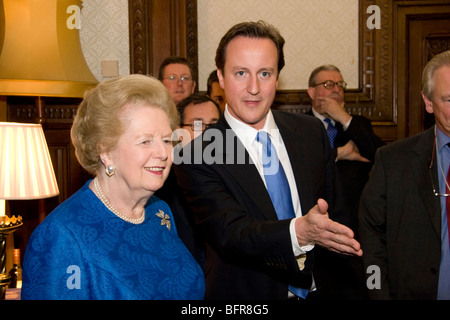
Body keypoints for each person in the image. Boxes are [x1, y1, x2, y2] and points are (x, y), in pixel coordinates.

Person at [173, 21, 362, 300]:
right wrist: (300, 232)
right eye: (240, 73)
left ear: (277, 78)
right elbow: (231, 234)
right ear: (222, 79)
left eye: (264, 73)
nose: (253, 88)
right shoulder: (197, 154)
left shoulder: (310, 133)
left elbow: (338, 219)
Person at [21, 74, 205, 300]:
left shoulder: (160, 213)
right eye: (145, 141)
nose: (163, 153)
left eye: (167, 140)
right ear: (106, 152)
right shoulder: (61, 236)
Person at [359, 50, 450, 299]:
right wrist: (378, 295)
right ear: (429, 102)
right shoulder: (393, 161)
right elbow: (371, 238)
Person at [306, 65, 384, 298]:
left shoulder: (358, 125)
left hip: (356, 226)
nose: (336, 90)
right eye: (328, 84)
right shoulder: (300, 125)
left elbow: (382, 158)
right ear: (311, 92)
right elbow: (303, 164)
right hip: (316, 225)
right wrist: (339, 153)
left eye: (340, 85)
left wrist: (343, 117)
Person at [156, 93, 221, 268]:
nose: (207, 133)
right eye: (197, 125)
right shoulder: (160, 180)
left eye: (214, 125)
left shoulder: (235, 176)